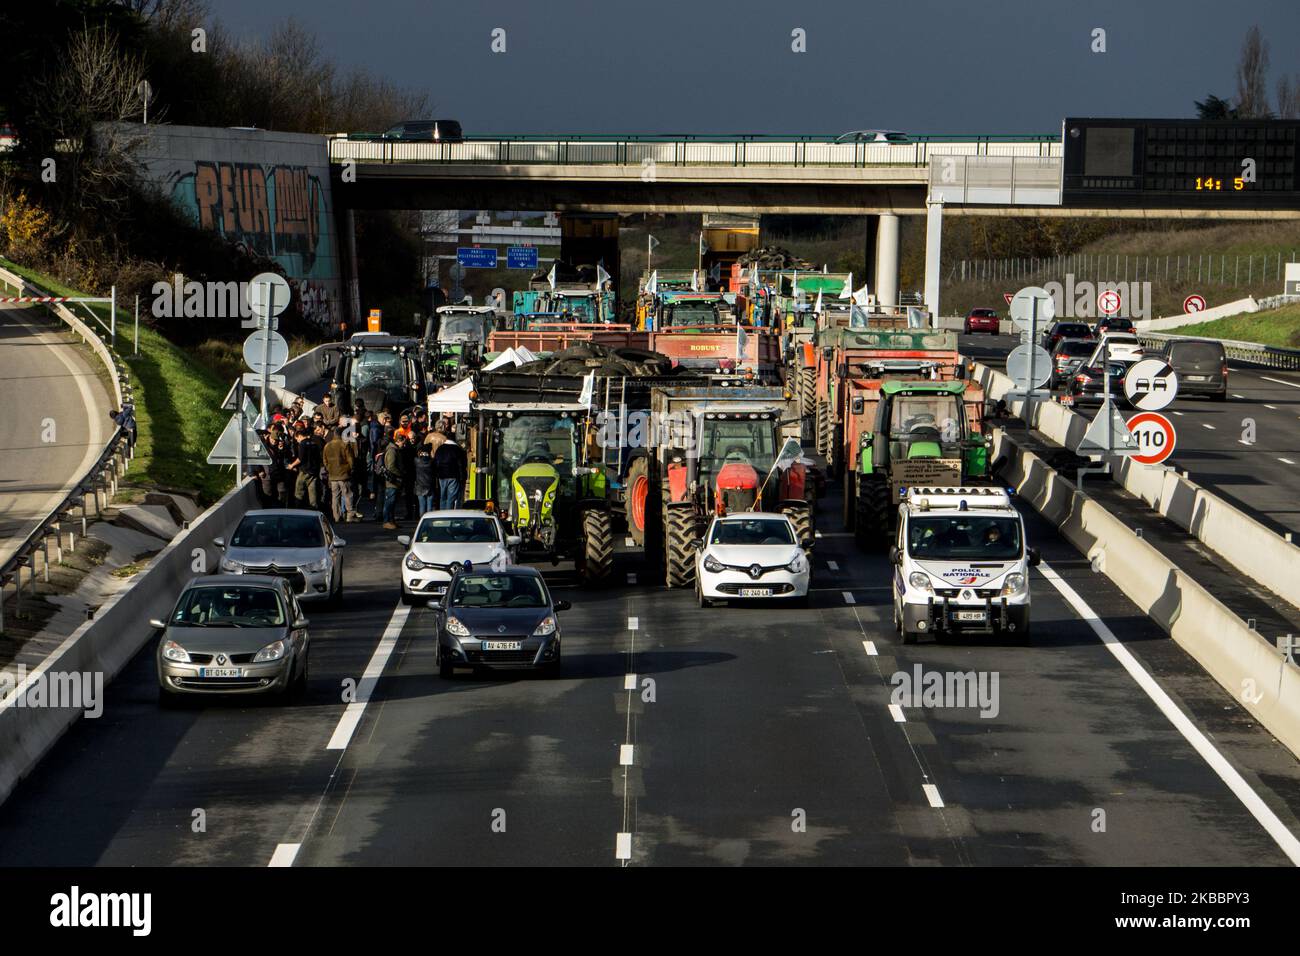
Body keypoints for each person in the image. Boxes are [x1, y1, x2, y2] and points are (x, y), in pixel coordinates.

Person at [323, 427, 355, 523]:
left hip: (332, 475)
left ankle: (336, 516)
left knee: (335, 497)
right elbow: (350, 460)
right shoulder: (344, 444)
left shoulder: (327, 445)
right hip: (344, 474)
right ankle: (350, 516)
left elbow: (325, 461)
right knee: (348, 495)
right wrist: (350, 469)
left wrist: (329, 469)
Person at [289, 421, 322, 510]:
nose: (297, 440)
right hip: (314, 471)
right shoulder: (314, 443)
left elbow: (300, 459)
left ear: (299, 436)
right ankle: (314, 509)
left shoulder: (302, 444)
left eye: (297, 438)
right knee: (312, 491)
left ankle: (298, 509)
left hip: (305, 471)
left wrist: (291, 465)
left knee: (299, 491)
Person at [433, 429, 467, 510]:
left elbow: (435, 462)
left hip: (441, 476)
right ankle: (448, 514)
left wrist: (436, 474)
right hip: (453, 476)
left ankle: (442, 514)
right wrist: (462, 477)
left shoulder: (439, 448)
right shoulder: (457, 449)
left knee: (443, 496)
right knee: (451, 497)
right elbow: (461, 464)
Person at [381, 431, 406, 530]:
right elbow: (391, 467)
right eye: (403, 443)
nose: (404, 445)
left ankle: (391, 521)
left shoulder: (394, 450)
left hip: (394, 480)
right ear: (398, 441)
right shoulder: (392, 451)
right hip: (392, 481)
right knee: (389, 502)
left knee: (392, 501)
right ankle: (387, 521)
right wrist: (400, 474)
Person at [414, 443, 437, 517]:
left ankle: (422, 520)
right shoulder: (432, 462)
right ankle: (429, 520)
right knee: (430, 505)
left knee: (422, 505)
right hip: (430, 485)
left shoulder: (416, 461)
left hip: (420, 486)